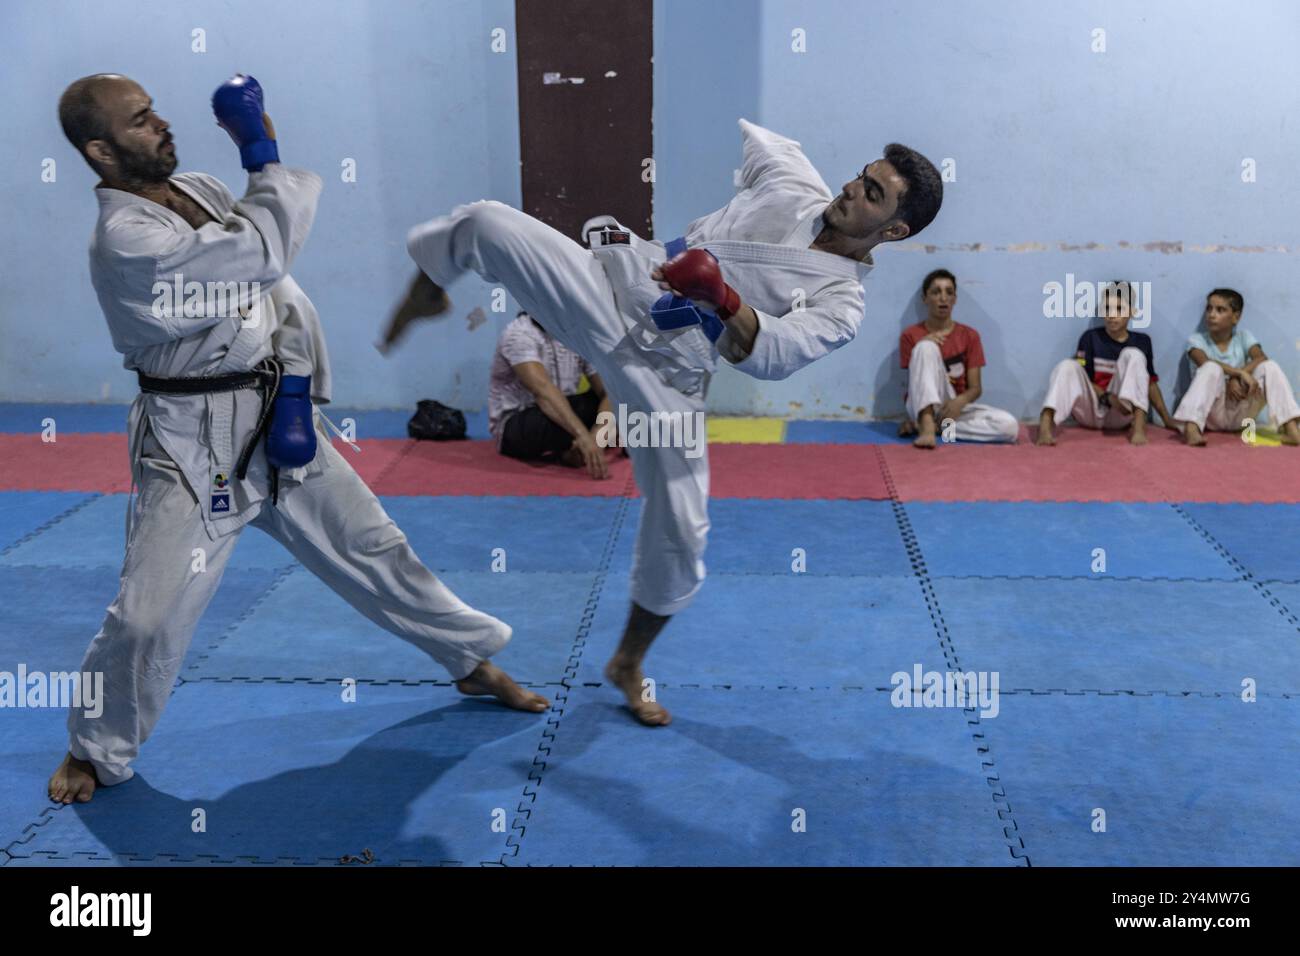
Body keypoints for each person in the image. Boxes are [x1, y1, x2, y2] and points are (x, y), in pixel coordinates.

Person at [48, 73, 546, 806]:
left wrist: (298, 385)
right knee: (148, 614)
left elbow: (277, 289)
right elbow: (260, 255)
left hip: (274, 413)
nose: (160, 123)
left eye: (155, 108)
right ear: (100, 149)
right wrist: (263, 154)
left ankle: (467, 657)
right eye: (139, 119)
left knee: (375, 548)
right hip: (192, 447)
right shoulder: (125, 239)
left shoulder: (200, 189)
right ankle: (94, 747)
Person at [388, 120, 942, 725]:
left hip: (668, 374)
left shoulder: (842, 303)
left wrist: (725, 297)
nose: (850, 190)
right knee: (487, 221)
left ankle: (628, 661)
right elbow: (769, 141)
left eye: (872, 194)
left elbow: (779, 351)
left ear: (893, 230)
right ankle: (429, 287)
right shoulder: (792, 185)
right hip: (608, 292)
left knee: (681, 526)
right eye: (861, 177)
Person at [1037, 280, 1176, 445]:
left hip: (1122, 413)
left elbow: (1150, 384)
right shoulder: (1089, 338)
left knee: (1134, 354)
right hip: (1091, 411)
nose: (1111, 315)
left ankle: (1139, 428)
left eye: (1119, 309)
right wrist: (1107, 398)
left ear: (1132, 311)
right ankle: (1045, 426)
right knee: (1068, 366)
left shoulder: (1142, 342)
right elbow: (1082, 379)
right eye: (1107, 308)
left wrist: (1166, 418)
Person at [897, 269, 1018, 447]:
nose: (943, 298)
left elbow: (976, 388)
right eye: (936, 292)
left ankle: (937, 428)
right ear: (925, 298)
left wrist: (959, 402)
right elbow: (916, 384)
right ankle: (926, 423)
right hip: (921, 404)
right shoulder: (910, 335)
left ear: (955, 299)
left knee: (1009, 427)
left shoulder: (969, 336)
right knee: (925, 347)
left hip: (953, 406)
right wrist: (922, 344)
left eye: (949, 292)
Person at [489, 310, 615, 477]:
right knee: (563, 414)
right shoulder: (518, 335)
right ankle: (579, 446)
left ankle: (575, 450)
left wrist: (600, 434)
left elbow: (609, 391)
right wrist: (584, 436)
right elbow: (543, 392)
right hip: (518, 424)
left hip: (564, 413)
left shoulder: (576, 334)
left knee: (619, 398)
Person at [1173, 288, 1300, 446]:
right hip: (1213, 416)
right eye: (1209, 308)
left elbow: (1261, 357)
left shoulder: (1243, 337)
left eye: (1220, 310)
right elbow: (1204, 361)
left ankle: (1292, 428)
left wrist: (1235, 377)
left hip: (1241, 414)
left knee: (1269, 366)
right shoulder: (1196, 340)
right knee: (1211, 368)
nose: (1212, 314)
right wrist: (1238, 374)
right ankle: (1191, 428)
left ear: (1236, 317)